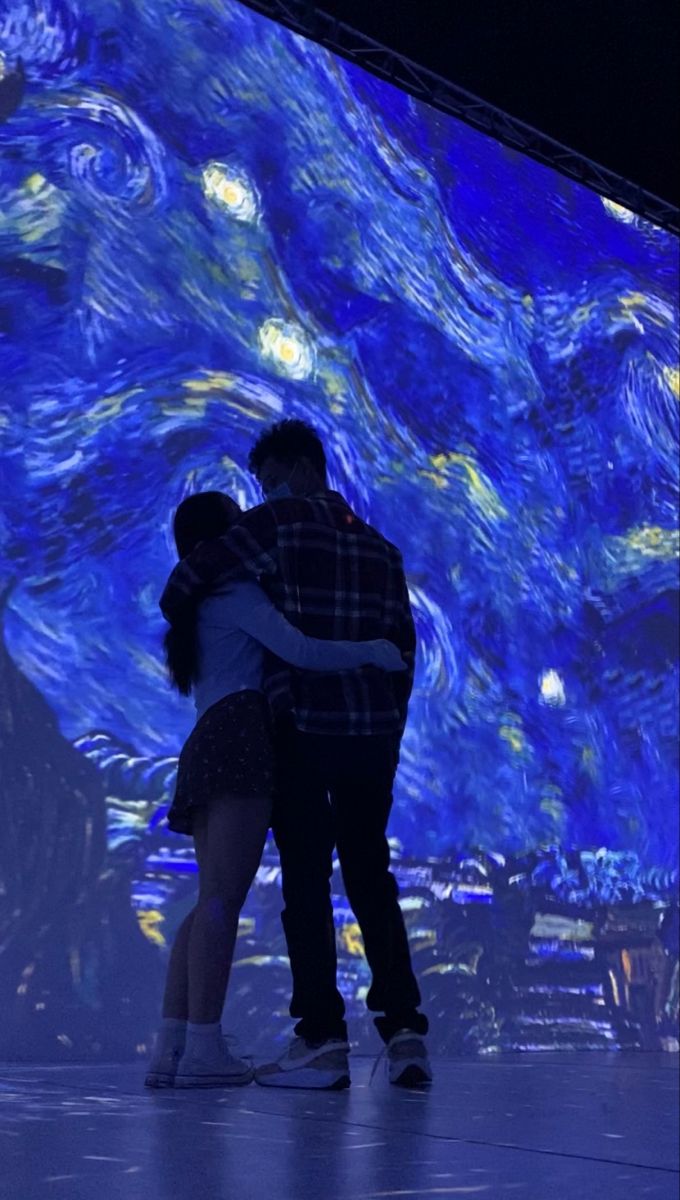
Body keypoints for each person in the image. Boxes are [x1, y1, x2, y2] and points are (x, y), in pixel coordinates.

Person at [160, 420, 431, 1089]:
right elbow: (404, 653)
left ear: (300, 469)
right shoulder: (383, 550)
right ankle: (403, 1034)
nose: (264, 493)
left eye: (268, 478)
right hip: (369, 737)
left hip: (299, 734)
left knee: (302, 884)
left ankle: (320, 1040)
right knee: (372, 878)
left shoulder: (272, 527)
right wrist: (386, 728)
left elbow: (186, 580)